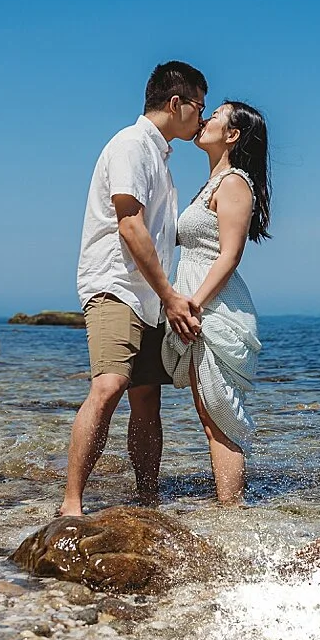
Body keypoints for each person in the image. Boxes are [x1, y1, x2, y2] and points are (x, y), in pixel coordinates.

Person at [60, 61, 209, 518]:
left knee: (147, 397)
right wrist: (170, 296)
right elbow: (129, 226)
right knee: (110, 385)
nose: (201, 118)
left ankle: (148, 501)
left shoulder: (161, 160)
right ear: (175, 103)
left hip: (149, 296)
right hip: (116, 285)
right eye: (198, 106)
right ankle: (71, 503)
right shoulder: (130, 145)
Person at [162, 100, 272, 507]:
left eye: (216, 115)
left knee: (219, 415)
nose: (205, 119)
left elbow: (229, 254)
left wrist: (193, 305)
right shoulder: (213, 182)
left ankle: (232, 511)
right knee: (210, 416)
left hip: (213, 307)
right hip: (198, 301)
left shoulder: (234, 183)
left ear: (233, 134)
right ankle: (228, 506)